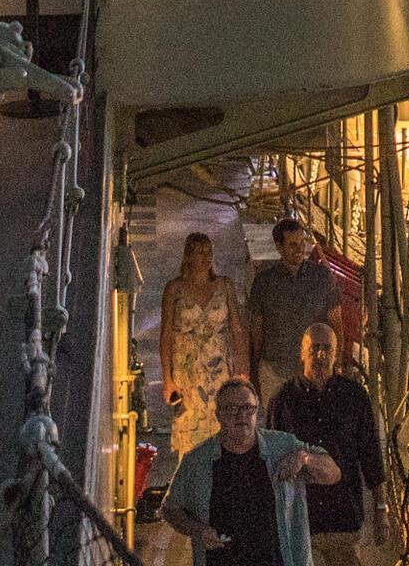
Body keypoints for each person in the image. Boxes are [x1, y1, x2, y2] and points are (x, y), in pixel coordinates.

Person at [161, 376, 340, 566]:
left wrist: (304, 459)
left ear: (257, 411)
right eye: (232, 409)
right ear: (218, 415)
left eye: (248, 408)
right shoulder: (197, 461)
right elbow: (170, 508)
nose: (242, 416)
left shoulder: (282, 447)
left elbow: (333, 473)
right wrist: (198, 531)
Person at [267, 322, 387, 566]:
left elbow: (370, 454)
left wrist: (381, 508)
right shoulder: (283, 399)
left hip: (343, 518)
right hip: (301, 520)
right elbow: (270, 457)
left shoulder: (353, 396)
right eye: (315, 348)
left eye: (327, 349)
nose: (321, 355)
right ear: (302, 353)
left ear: (335, 352)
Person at [162, 231, 249, 457]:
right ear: (188, 256)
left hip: (218, 367)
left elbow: (237, 329)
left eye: (208, 252)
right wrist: (167, 379)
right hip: (186, 369)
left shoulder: (224, 285)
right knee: (189, 429)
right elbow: (166, 335)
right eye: (199, 252)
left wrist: (242, 370)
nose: (205, 257)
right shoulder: (174, 289)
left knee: (221, 424)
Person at [248, 217, 344, 409]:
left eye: (301, 243)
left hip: (314, 372)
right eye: (292, 245)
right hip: (275, 371)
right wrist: (254, 368)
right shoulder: (264, 282)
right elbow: (257, 329)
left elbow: (336, 325)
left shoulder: (322, 277)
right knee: (277, 430)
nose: (299, 249)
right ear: (279, 247)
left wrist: (337, 364)